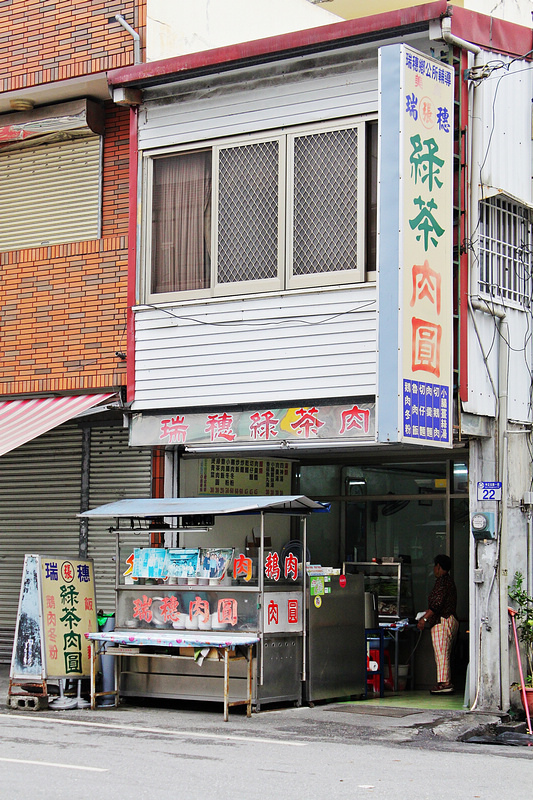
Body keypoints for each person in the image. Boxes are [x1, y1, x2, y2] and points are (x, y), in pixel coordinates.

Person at [417, 554, 459, 694]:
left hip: (443, 620)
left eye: (435, 566)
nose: (434, 569)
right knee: (444, 652)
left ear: (439, 567)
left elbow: (436, 605)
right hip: (450, 619)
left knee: (441, 652)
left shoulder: (442, 582)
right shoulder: (449, 581)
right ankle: (445, 682)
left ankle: (444, 683)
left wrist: (424, 619)